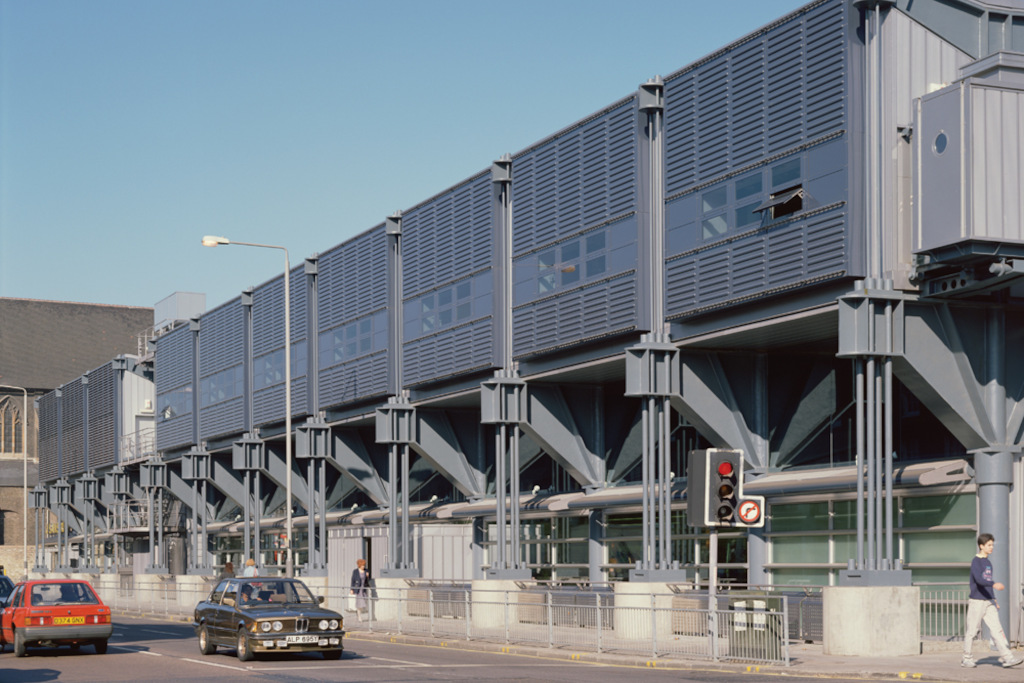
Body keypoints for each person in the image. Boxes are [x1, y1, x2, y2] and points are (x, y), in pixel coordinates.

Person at [962, 533, 1023, 668]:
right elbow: (979, 580)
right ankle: (966, 658)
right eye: (989, 545)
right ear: (981, 546)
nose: (991, 548)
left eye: (992, 545)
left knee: (997, 629)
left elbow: (987, 581)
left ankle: (1008, 658)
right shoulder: (976, 561)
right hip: (976, 601)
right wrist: (994, 584)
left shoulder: (988, 562)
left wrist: (994, 599)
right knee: (972, 631)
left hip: (988, 601)